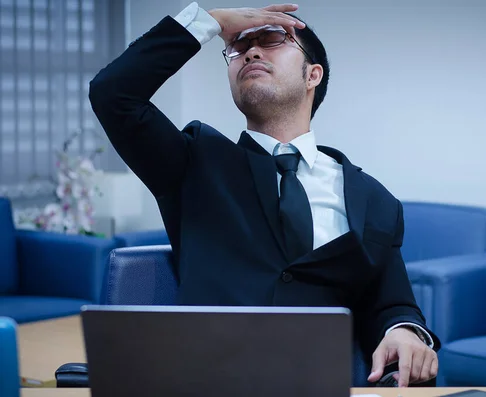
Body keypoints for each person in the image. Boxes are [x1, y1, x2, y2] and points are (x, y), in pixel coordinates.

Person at [89, 2, 440, 388]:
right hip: (208, 383)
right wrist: (210, 22)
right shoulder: (193, 162)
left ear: (313, 75)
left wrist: (405, 330)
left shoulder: (374, 198)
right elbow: (113, 93)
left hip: (322, 385)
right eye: (239, 49)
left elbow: (393, 301)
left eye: (272, 39)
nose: (251, 51)